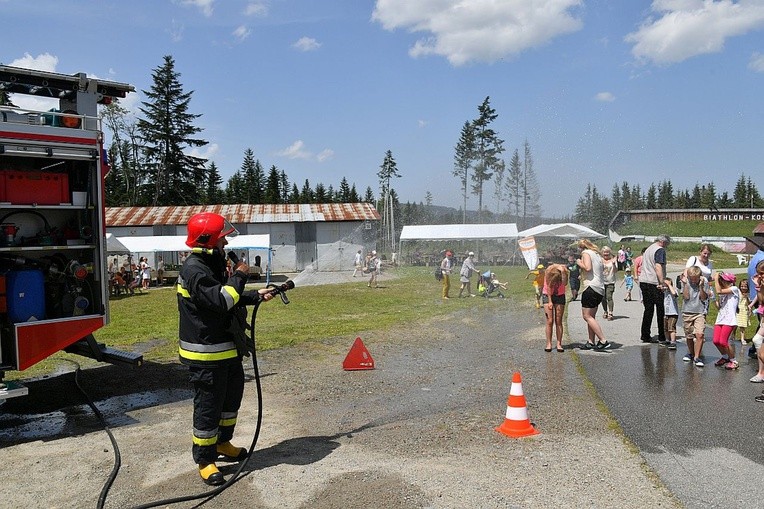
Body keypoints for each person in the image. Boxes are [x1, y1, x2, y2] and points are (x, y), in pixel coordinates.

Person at [177, 211, 274, 485]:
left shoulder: (211, 264)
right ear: (209, 242)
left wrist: (255, 296)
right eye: (222, 240)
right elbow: (221, 300)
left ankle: (223, 444)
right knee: (209, 407)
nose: (226, 245)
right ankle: (206, 459)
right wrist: (241, 275)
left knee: (230, 401)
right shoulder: (195, 269)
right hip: (205, 353)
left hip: (226, 349)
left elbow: (221, 298)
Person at [576, 239, 610, 350]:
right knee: (591, 317)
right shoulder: (596, 254)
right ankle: (591, 341)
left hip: (591, 287)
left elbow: (588, 268)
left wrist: (579, 262)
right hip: (599, 287)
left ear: (581, 247)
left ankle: (603, 339)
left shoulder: (585, 253)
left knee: (586, 316)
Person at [640, 235, 671, 344]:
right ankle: (662, 336)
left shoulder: (649, 248)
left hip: (644, 281)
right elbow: (658, 266)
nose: (667, 246)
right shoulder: (660, 250)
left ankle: (645, 334)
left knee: (648, 309)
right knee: (660, 310)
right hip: (654, 282)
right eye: (667, 244)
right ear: (663, 242)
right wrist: (662, 282)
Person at [680, 265, 710, 367]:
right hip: (687, 311)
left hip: (699, 312)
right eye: (691, 279)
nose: (693, 281)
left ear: (699, 276)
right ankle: (691, 353)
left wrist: (701, 286)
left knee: (699, 334)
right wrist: (685, 285)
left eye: (695, 279)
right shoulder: (685, 281)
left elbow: (704, 298)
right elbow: (686, 297)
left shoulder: (704, 281)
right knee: (689, 335)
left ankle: (697, 357)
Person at [711, 272, 740, 370]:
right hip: (720, 319)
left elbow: (719, 291)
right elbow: (719, 307)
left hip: (729, 320)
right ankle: (725, 357)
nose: (721, 281)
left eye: (723, 280)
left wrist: (715, 279)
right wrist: (713, 298)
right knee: (716, 341)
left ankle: (734, 360)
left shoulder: (734, 289)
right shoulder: (723, 293)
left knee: (723, 342)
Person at [542, 263, 568, 352]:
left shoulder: (564, 271)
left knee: (558, 320)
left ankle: (559, 344)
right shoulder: (549, 271)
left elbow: (565, 283)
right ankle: (548, 343)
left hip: (560, 295)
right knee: (550, 320)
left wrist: (563, 273)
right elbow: (549, 286)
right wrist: (550, 301)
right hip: (547, 294)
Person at [600, 246, 617, 320]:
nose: (606, 254)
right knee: (603, 298)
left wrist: (613, 263)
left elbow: (616, 270)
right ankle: (605, 311)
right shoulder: (600, 260)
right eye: (604, 252)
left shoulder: (613, 260)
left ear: (609, 253)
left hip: (610, 282)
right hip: (601, 282)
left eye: (607, 252)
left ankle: (610, 312)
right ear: (602, 253)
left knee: (609, 297)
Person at [663, 276, 679, 350]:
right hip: (666, 313)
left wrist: (669, 285)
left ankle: (673, 342)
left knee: (671, 328)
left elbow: (674, 294)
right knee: (665, 328)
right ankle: (667, 340)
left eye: (666, 284)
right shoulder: (665, 291)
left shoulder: (674, 290)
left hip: (673, 313)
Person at [737, 279, 751, 343]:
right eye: (742, 286)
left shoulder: (748, 294)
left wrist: (747, 297)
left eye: (745, 286)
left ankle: (742, 338)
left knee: (742, 325)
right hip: (738, 310)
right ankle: (732, 335)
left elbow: (749, 303)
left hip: (744, 311)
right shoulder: (738, 293)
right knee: (735, 324)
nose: (743, 288)